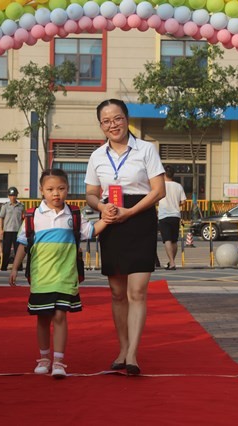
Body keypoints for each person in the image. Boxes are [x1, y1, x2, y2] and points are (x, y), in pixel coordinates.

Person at [85, 99, 165, 376]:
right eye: (106, 121)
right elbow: (91, 193)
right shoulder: (97, 156)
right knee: (117, 293)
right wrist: (101, 207)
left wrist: (130, 212)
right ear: (101, 125)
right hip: (111, 221)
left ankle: (132, 354)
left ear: (126, 118)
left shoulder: (146, 149)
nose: (113, 125)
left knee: (137, 291)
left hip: (139, 218)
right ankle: (122, 349)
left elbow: (159, 190)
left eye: (117, 118)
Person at [9, 169, 107, 378]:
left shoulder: (74, 214)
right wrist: (15, 267)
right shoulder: (33, 216)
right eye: (50, 189)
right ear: (41, 190)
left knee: (60, 315)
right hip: (41, 277)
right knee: (43, 318)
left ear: (67, 189)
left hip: (65, 276)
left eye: (61, 188)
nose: (56, 193)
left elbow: (90, 231)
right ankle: (44, 358)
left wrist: (108, 218)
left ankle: (59, 362)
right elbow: (23, 244)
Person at [158, 165, 186, 270]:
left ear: (164, 174)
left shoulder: (160, 186)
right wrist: (176, 204)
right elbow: (183, 201)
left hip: (164, 216)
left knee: (167, 239)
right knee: (174, 240)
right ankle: (172, 262)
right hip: (175, 215)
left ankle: (172, 262)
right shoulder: (178, 186)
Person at [0, 187, 24, 271]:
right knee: (6, 250)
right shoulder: (5, 206)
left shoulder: (21, 206)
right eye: (11, 196)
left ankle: (19, 267)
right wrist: (1, 229)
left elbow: (23, 218)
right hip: (7, 230)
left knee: (18, 250)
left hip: (17, 231)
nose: (13, 197)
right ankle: (4, 267)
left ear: (16, 196)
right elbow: (1, 218)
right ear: (8, 196)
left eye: (14, 195)